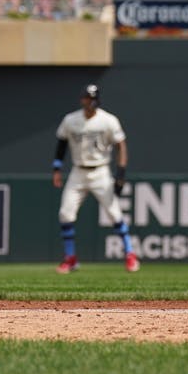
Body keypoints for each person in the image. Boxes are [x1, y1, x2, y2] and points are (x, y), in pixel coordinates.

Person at [52, 84, 139, 274]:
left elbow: (121, 146)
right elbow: (62, 143)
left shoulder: (108, 120)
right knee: (65, 214)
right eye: (85, 98)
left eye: (91, 98)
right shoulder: (71, 120)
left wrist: (121, 173)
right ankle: (70, 258)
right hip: (78, 171)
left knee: (114, 214)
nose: (88, 102)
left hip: (100, 171)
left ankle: (130, 254)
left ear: (96, 100)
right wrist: (57, 168)